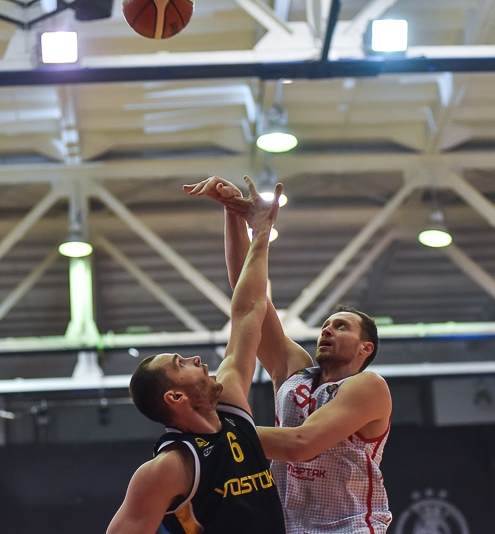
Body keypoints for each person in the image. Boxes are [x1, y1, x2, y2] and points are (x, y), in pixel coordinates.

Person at [184, 177, 393, 534]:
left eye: (341, 327)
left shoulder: (368, 386)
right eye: (325, 325)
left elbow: (301, 445)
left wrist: (216, 432)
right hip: (288, 526)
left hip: (349, 527)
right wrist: (237, 217)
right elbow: (248, 296)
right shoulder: (294, 369)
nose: (327, 330)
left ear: (365, 348)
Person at [108, 177, 286, 534]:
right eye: (181, 364)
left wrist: (260, 231)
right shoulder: (169, 468)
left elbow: (248, 309)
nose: (196, 360)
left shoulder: (231, 403)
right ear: (175, 397)